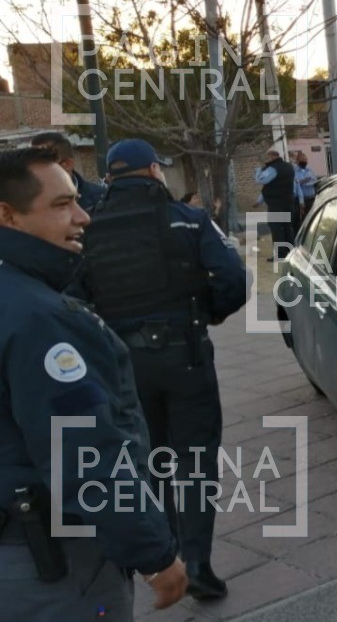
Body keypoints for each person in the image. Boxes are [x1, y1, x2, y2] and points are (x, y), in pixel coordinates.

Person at [0, 147, 188, 619]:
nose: (82, 216)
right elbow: (87, 455)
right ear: (8, 216)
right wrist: (155, 553)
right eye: (62, 205)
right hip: (52, 567)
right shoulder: (40, 317)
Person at [74, 139, 249, 599]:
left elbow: (72, 295)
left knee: (146, 462)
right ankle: (198, 566)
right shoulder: (188, 220)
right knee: (195, 461)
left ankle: (162, 558)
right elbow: (232, 278)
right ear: (154, 171)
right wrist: (209, 314)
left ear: (109, 177)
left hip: (122, 367)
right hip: (185, 357)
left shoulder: (89, 228)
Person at [30, 131, 105, 212]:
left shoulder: (102, 198)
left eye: (41, 162)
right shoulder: (26, 205)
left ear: (66, 164)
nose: (31, 169)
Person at [255, 149, 296, 260]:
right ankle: (291, 253)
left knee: (277, 229)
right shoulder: (289, 167)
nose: (265, 160)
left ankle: (280, 255)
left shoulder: (273, 169)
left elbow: (260, 180)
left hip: (276, 204)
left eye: (267, 157)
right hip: (288, 203)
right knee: (287, 228)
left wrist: (258, 171)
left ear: (272, 157)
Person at [293, 152, 317, 228]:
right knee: (304, 221)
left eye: (305, 160)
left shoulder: (309, 169)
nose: (304, 162)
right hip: (302, 200)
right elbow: (296, 183)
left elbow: (314, 179)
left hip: (312, 197)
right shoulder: (295, 171)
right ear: (297, 161)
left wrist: (312, 180)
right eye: (302, 160)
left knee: (313, 219)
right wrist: (303, 181)